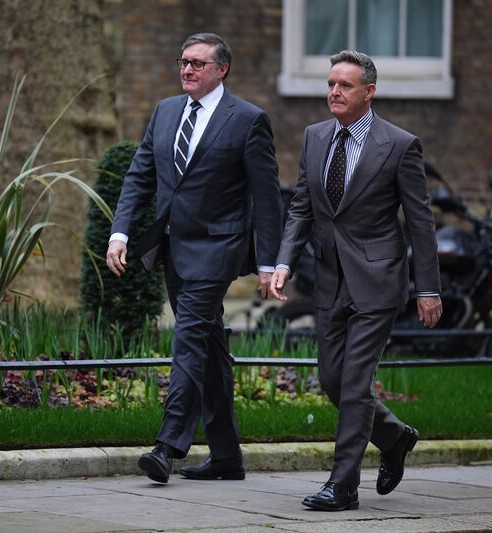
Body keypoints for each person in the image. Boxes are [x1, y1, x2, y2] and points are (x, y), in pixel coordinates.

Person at [106, 32, 282, 484]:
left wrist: (268, 264)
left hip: (218, 248)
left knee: (187, 337)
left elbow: (266, 198)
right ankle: (226, 456)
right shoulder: (165, 112)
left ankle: (167, 447)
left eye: (198, 63)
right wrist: (121, 231)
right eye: (183, 61)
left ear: (221, 69)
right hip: (173, 247)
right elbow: (140, 175)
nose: (187, 69)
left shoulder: (248, 119)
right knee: (209, 349)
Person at [270, 50, 442, 511]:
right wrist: (284, 261)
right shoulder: (314, 137)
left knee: (354, 383)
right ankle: (395, 437)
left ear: (369, 91)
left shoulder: (401, 145)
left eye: (344, 85)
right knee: (331, 379)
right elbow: (302, 206)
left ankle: (342, 486)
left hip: (378, 279)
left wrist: (428, 288)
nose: (333, 92)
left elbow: (421, 223)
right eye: (330, 84)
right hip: (330, 278)